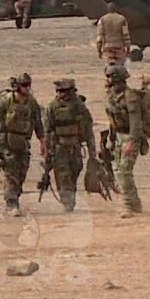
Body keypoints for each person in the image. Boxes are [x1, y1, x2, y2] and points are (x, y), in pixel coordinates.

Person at [0, 73, 46, 216]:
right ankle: (11, 203)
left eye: (29, 85)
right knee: (10, 171)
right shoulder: (5, 101)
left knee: (21, 172)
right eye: (24, 85)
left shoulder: (31, 103)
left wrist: (42, 141)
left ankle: (15, 196)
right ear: (18, 86)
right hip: (6, 142)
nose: (27, 88)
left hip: (23, 142)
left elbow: (38, 123)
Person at [43, 78, 95, 212]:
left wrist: (92, 151)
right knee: (63, 176)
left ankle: (70, 196)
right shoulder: (52, 107)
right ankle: (68, 202)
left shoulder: (80, 106)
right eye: (59, 91)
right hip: (59, 148)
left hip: (75, 147)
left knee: (74, 173)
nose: (61, 94)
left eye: (64, 91)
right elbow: (47, 130)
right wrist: (47, 150)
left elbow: (88, 129)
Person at [104, 63, 146, 217]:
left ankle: (128, 204)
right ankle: (135, 203)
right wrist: (110, 139)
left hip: (130, 137)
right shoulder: (112, 96)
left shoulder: (130, 97)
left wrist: (132, 142)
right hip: (118, 137)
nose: (108, 79)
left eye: (110, 76)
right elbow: (112, 120)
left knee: (124, 171)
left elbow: (136, 122)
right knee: (117, 171)